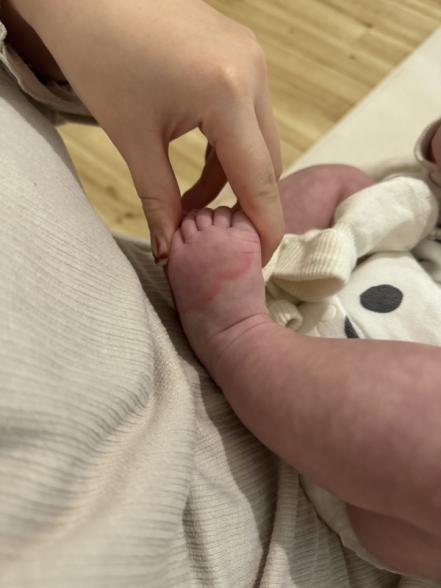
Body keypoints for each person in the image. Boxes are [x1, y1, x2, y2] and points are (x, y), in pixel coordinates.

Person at [167, 120, 441, 581]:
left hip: (381, 474)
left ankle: (234, 332)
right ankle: (260, 260)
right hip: (352, 269)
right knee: (339, 182)